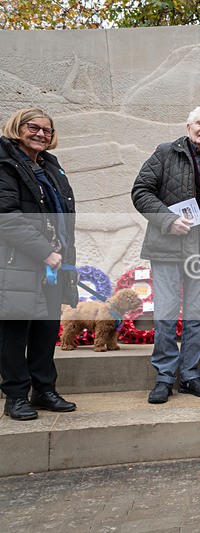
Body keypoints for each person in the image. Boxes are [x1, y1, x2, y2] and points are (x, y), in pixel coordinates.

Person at [131, 105, 200, 404]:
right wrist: (167, 220)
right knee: (166, 313)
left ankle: (189, 375)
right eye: (199, 123)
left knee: (198, 315)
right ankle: (163, 377)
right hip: (168, 248)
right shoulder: (165, 153)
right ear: (188, 127)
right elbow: (140, 191)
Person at [0, 108, 78, 420]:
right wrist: (44, 251)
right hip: (19, 263)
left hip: (53, 264)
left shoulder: (50, 167)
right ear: (18, 127)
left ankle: (44, 390)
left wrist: (60, 255)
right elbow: (7, 217)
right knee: (15, 331)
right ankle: (16, 396)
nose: (41, 134)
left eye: (47, 130)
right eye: (34, 127)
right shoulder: (5, 163)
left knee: (46, 330)